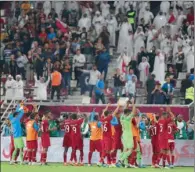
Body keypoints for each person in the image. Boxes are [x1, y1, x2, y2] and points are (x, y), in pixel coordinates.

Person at [118, 101, 136, 168]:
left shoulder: (122, 117)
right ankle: (121, 159)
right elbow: (134, 112)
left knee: (125, 149)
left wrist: (127, 104)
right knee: (131, 149)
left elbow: (125, 111)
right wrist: (133, 104)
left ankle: (125, 163)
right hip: (128, 134)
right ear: (128, 113)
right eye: (129, 112)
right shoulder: (128, 118)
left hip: (123, 134)